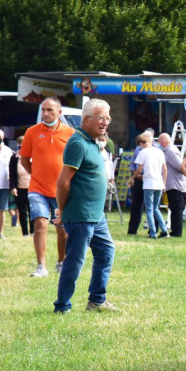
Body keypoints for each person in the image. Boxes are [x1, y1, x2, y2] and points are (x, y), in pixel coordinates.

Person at [54, 99, 118, 313]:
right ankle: (62, 306)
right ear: (86, 119)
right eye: (101, 118)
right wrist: (62, 210)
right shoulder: (78, 143)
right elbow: (63, 182)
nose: (105, 122)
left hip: (95, 215)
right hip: (81, 216)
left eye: (107, 118)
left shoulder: (92, 142)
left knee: (106, 251)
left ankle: (96, 300)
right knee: (75, 262)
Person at [21, 98, 75, 276]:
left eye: (50, 110)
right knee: (40, 222)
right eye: (43, 110)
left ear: (59, 112)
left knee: (63, 229)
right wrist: (35, 174)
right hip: (37, 188)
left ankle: (61, 261)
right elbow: (24, 158)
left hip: (62, 189)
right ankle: (41, 266)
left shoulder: (70, 134)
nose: (45, 113)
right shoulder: (32, 132)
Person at [129, 133, 169, 239]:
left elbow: (139, 169)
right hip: (159, 183)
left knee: (149, 209)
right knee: (156, 208)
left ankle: (153, 233)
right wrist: (164, 183)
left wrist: (131, 179)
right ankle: (164, 230)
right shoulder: (159, 151)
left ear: (142, 143)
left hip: (148, 183)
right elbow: (164, 169)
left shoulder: (143, 152)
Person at [157, 133, 186, 238]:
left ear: (164, 141)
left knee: (177, 208)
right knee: (174, 207)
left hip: (176, 184)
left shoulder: (170, 151)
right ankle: (175, 230)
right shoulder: (167, 151)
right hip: (173, 183)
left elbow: (180, 166)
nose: (159, 143)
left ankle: (176, 232)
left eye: (160, 141)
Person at [126, 131, 151, 235]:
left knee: (152, 206)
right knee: (136, 205)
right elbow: (133, 164)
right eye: (139, 143)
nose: (140, 145)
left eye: (142, 142)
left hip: (149, 179)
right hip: (138, 180)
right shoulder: (138, 149)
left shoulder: (156, 150)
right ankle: (132, 230)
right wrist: (135, 175)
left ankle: (153, 230)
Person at [9, 135, 33, 237]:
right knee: (22, 211)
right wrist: (13, 187)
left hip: (33, 188)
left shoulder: (34, 157)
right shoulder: (14, 158)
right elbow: (12, 175)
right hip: (20, 189)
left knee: (32, 211)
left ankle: (33, 232)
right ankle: (25, 233)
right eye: (20, 144)